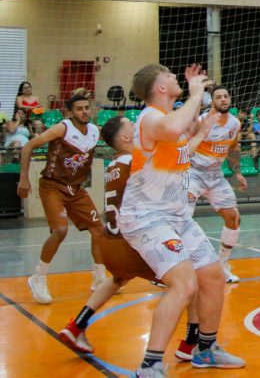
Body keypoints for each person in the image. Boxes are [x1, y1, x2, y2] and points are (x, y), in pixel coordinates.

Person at [57, 114, 216, 362]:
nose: (138, 127)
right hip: (132, 240)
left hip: (109, 243)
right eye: (132, 126)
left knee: (118, 277)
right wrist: (198, 133)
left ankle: (76, 325)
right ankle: (190, 343)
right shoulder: (137, 160)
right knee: (188, 281)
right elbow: (178, 156)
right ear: (125, 137)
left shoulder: (114, 164)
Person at [118, 64, 243, 377]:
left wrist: (200, 131)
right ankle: (149, 365)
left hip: (176, 216)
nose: (175, 77)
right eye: (169, 77)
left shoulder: (169, 121)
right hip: (147, 217)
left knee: (212, 275)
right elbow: (173, 129)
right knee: (185, 284)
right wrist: (198, 93)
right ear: (160, 88)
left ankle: (206, 350)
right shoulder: (149, 117)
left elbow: (182, 148)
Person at [17, 93, 106, 304]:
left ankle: (99, 279)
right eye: (79, 108)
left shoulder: (95, 131)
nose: (84, 111)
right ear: (70, 112)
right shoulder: (62, 128)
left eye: (87, 107)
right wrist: (23, 179)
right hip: (53, 186)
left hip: (76, 189)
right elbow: (28, 147)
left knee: (99, 230)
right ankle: (38, 277)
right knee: (60, 230)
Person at [187, 86, 248, 283]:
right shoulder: (201, 121)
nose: (223, 99)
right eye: (218, 97)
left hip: (215, 176)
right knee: (180, 220)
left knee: (234, 218)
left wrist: (237, 172)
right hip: (193, 173)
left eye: (225, 96)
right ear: (212, 102)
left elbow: (234, 148)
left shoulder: (234, 123)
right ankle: (171, 268)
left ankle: (222, 266)